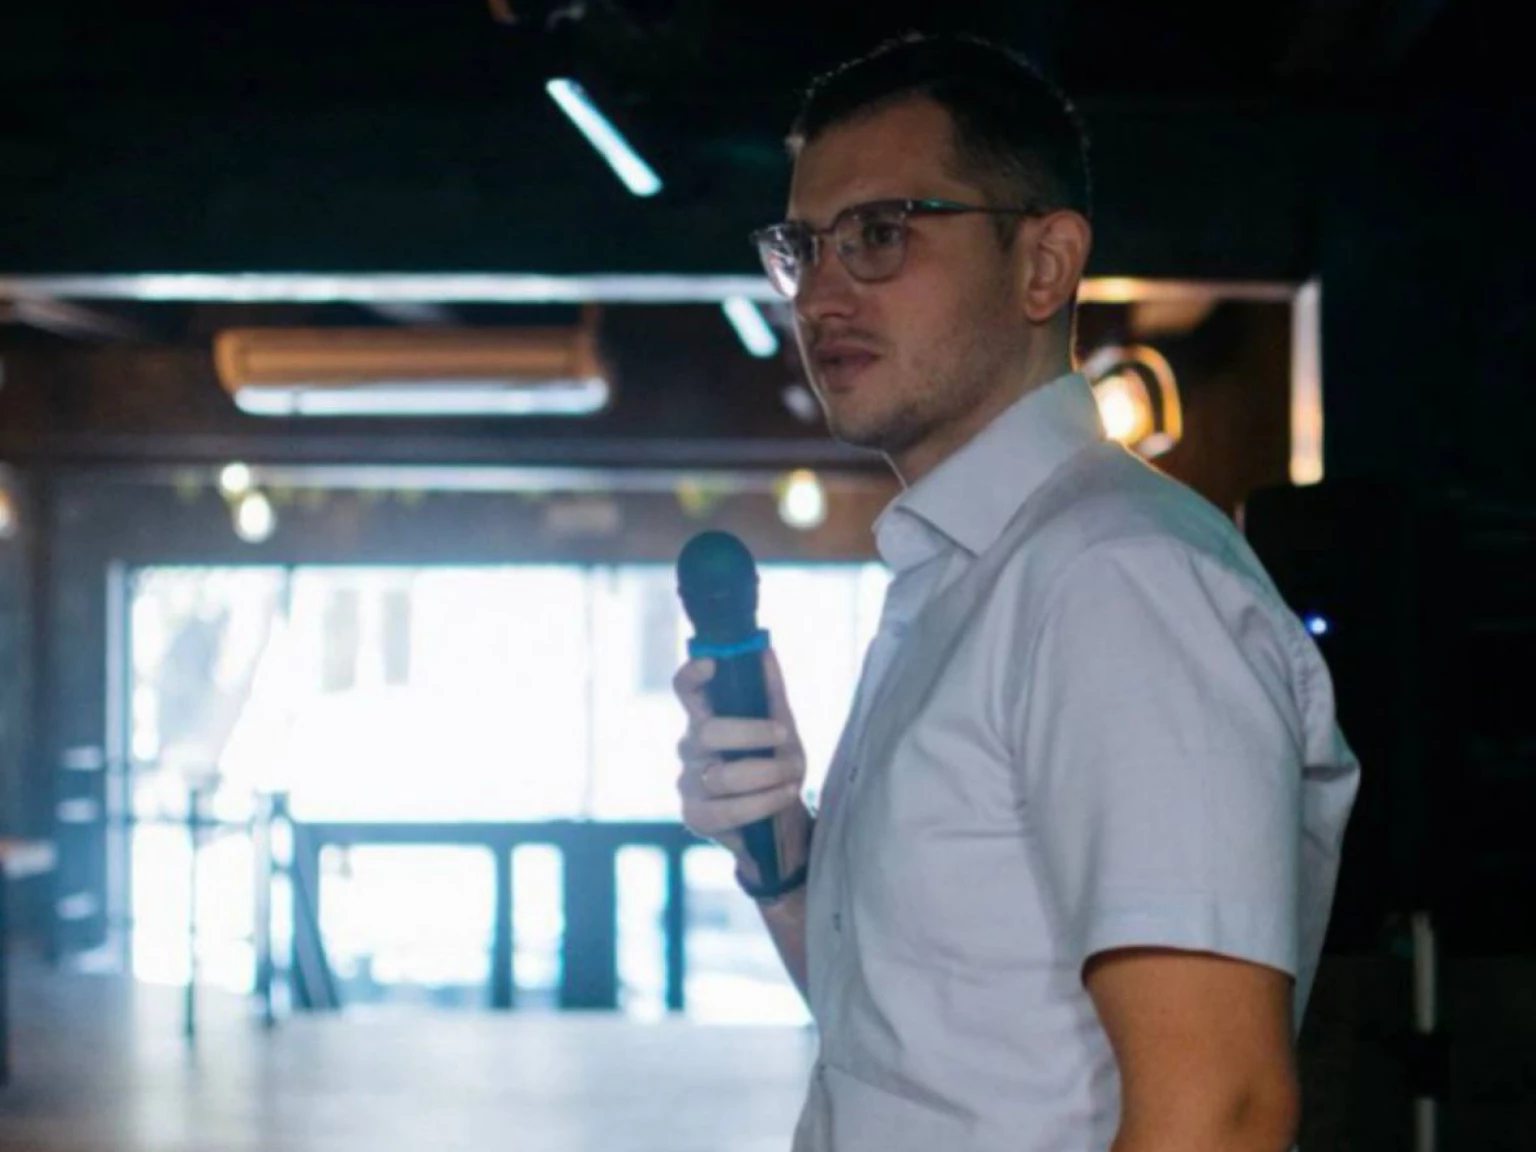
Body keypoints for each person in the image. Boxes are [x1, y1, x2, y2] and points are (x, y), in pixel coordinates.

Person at [673, 32, 1358, 1152]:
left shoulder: (1115, 577)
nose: (823, 294)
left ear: (1044, 266)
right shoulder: (966, 577)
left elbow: (1222, 1114)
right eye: (803, 247)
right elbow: (911, 1052)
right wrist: (785, 858)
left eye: (881, 234)